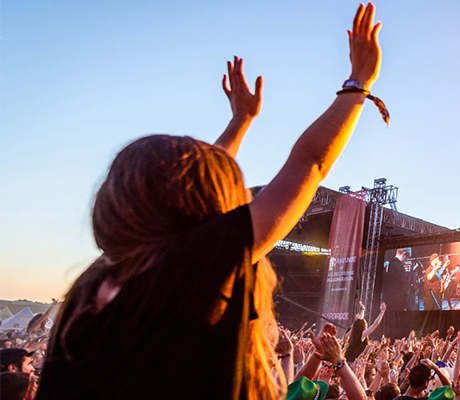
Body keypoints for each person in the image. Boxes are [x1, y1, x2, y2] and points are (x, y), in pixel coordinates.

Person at [36, 2, 384, 399]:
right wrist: (358, 83)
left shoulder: (97, 282)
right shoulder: (186, 272)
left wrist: (239, 124)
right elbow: (310, 164)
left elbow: (190, 197)